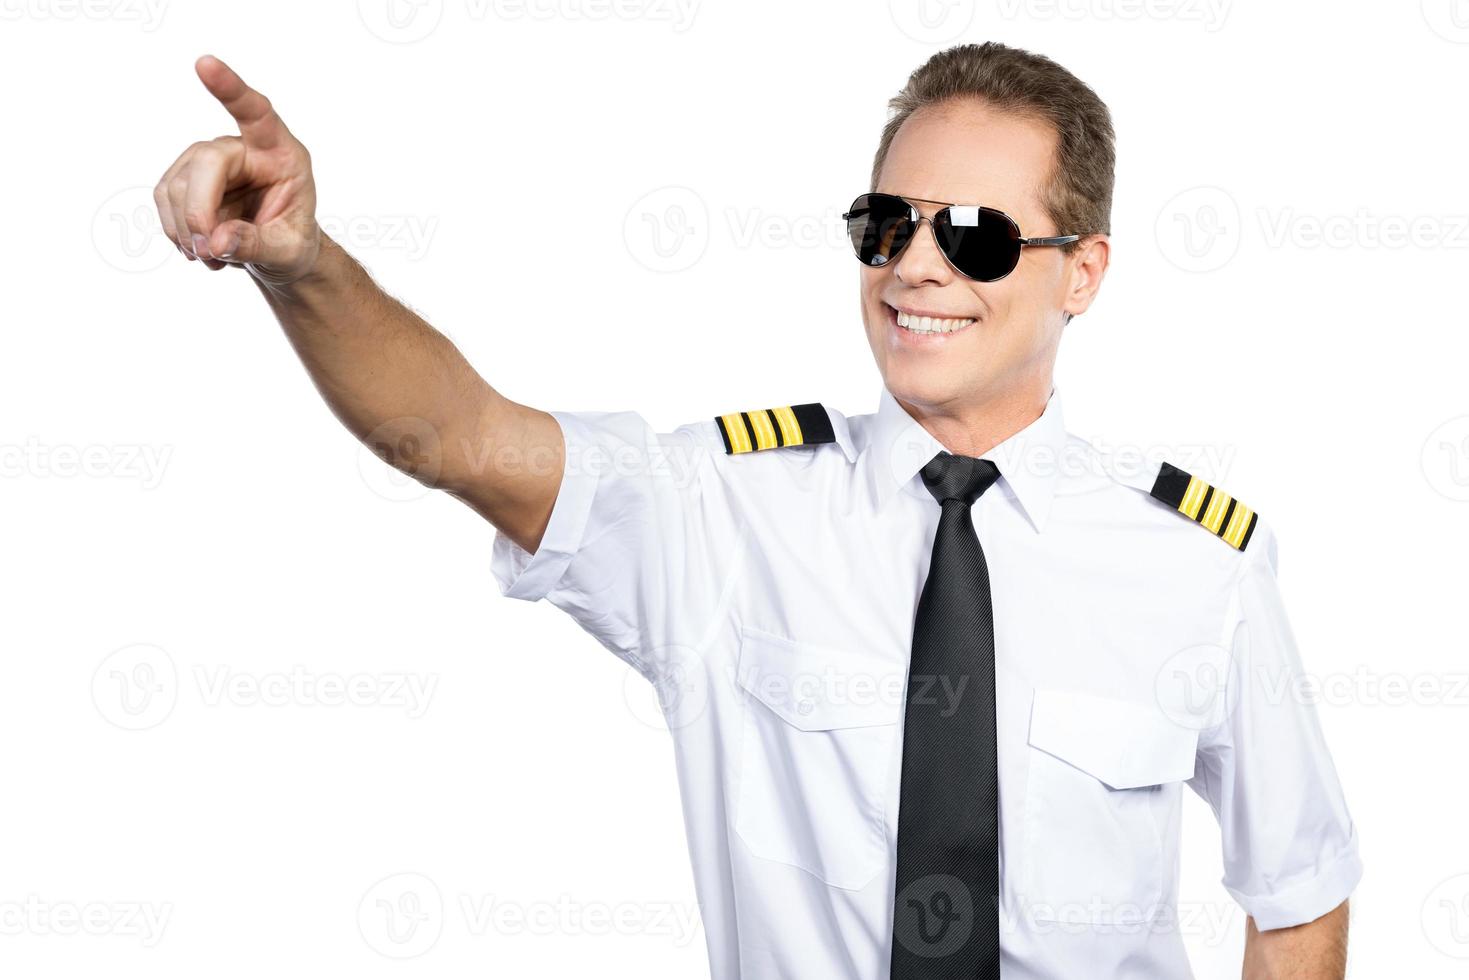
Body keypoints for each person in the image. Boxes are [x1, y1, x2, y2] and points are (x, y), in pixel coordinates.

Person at [153, 41, 1358, 980]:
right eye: (887, 224)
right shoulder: (723, 514)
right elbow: (458, 434)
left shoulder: (1195, 566)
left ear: (1080, 273)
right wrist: (299, 260)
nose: (915, 267)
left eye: (978, 237)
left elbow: (1297, 884)